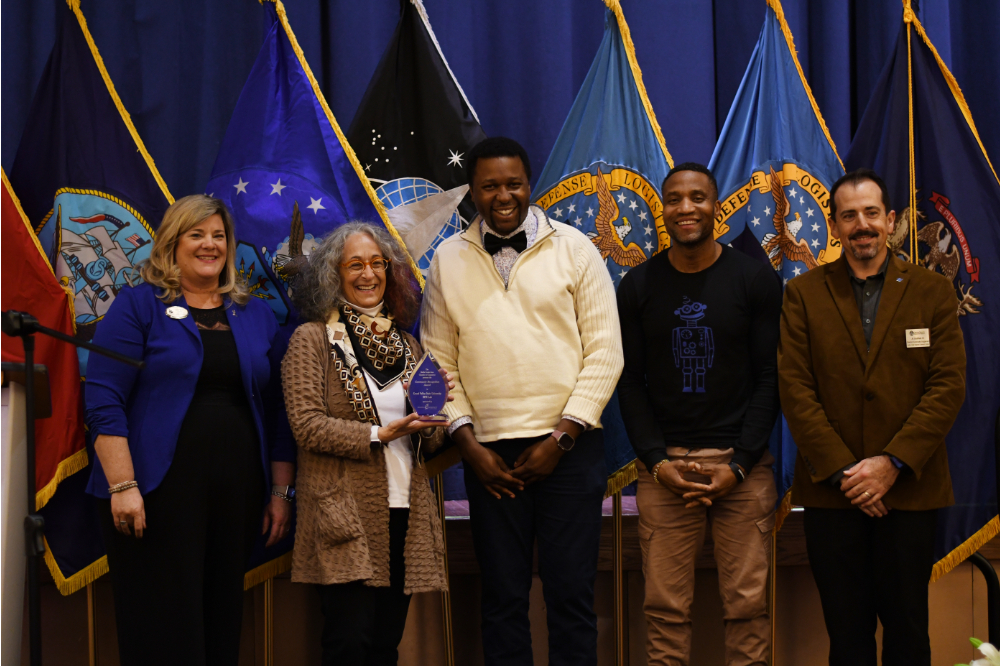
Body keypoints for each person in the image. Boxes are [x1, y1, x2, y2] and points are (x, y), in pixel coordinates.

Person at [420, 136, 623, 666]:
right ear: (474, 192)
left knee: (571, 597)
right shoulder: (447, 258)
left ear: (529, 185)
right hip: (490, 457)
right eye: (490, 186)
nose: (503, 195)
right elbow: (438, 363)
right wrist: (469, 447)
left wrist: (561, 438)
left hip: (570, 451)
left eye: (513, 184)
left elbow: (605, 353)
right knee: (502, 600)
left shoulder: (575, 247)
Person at [85, 195, 295, 666]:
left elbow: (280, 412)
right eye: (197, 234)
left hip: (236, 497)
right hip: (153, 495)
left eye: (219, 235)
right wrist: (123, 485)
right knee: (162, 627)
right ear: (172, 244)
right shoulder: (139, 306)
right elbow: (103, 401)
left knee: (221, 624)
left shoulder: (256, 314)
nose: (210, 245)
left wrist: (281, 494)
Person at [779, 168, 966, 666]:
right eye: (848, 216)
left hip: (909, 492)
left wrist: (890, 465)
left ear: (892, 221)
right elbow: (795, 390)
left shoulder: (932, 291)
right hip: (832, 496)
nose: (861, 224)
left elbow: (947, 387)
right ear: (835, 226)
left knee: (908, 632)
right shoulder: (803, 294)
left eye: (871, 213)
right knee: (847, 637)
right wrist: (848, 473)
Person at [617, 163, 782, 666]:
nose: (686, 208)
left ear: (717, 207)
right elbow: (629, 382)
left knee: (748, 609)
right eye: (674, 199)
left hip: (743, 468)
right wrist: (654, 462)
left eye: (698, 197)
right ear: (661, 210)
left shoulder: (754, 279)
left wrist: (740, 465)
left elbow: (771, 379)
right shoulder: (638, 285)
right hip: (666, 469)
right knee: (664, 612)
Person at [281, 222, 452, 666]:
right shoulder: (312, 339)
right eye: (355, 264)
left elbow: (429, 441)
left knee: (384, 644)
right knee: (349, 642)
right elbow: (306, 425)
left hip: (406, 510)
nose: (368, 274)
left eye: (377, 263)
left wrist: (435, 409)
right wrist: (378, 434)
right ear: (332, 274)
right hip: (343, 512)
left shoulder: (408, 344)